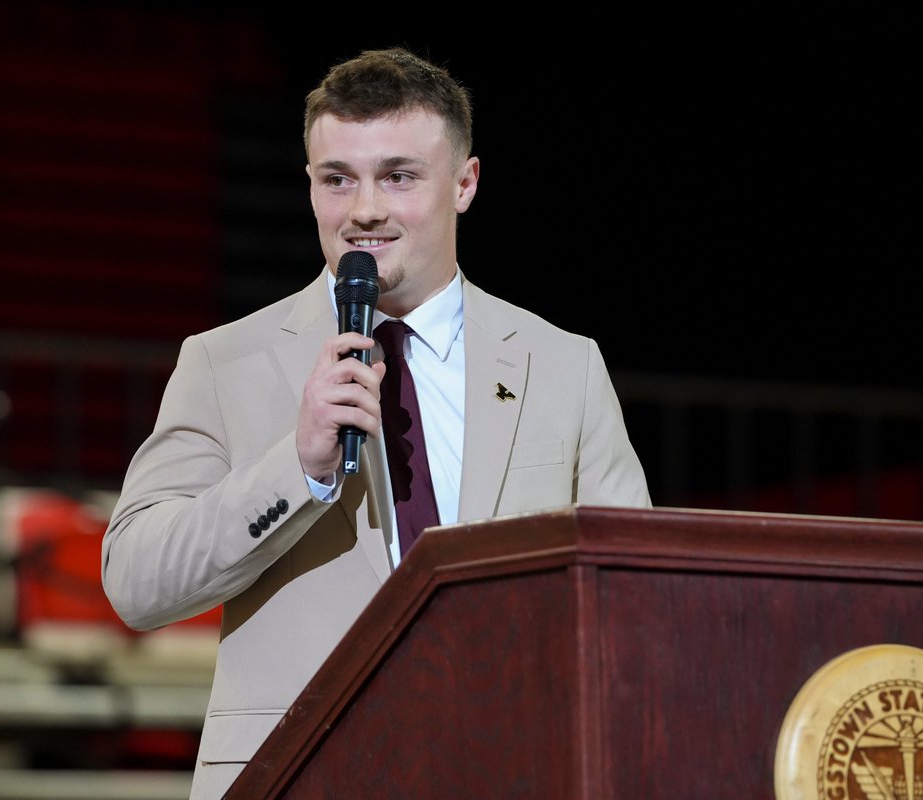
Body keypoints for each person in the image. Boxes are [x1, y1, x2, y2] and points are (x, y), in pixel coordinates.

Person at [101, 45, 651, 799]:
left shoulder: (563, 367)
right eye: (338, 179)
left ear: (465, 183)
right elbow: (136, 581)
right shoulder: (224, 363)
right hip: (301, 779)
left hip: (512, 768)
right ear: (310, 187)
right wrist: (297, 468)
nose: (364, 209)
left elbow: (634, 599)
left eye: (398, 176)